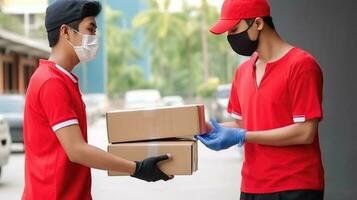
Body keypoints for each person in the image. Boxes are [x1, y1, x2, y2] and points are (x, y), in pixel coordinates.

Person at [22, 1, 172, 199]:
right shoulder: (51, 82)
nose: (94, 37)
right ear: (66, 32)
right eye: (90, 29)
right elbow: (76, 150)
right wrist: (137, 168)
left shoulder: (62, 79)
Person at [196, 0, 324, 199]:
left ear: (258, 23)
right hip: (251, 187)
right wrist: (207, 127)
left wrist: (243, 136)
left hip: (295, 186)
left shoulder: (301, 65)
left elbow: (305, 132)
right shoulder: (242, 71)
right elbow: (243, 123)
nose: (231, 38)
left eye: (234, 29)